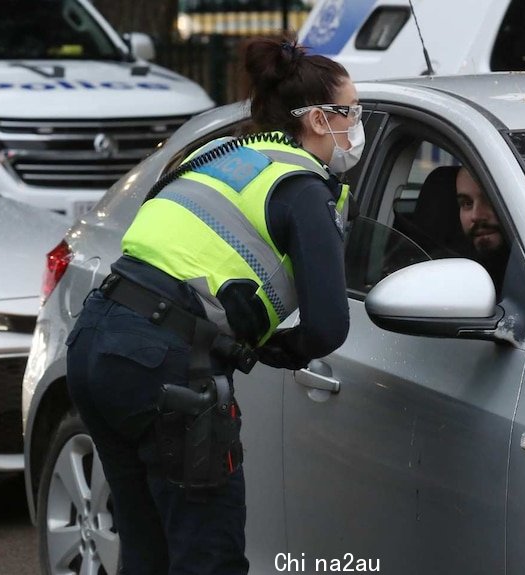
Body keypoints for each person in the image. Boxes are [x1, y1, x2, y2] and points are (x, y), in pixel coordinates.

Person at [65, 36, 360, 575]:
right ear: (320, 119)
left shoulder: (220, 155)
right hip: (165, 367)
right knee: (208, 558)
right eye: (352, 112)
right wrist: (274, 348)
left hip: (95, 339)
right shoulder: (301, 185)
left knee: (146, 548)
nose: (355, 127)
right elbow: (327, 328)